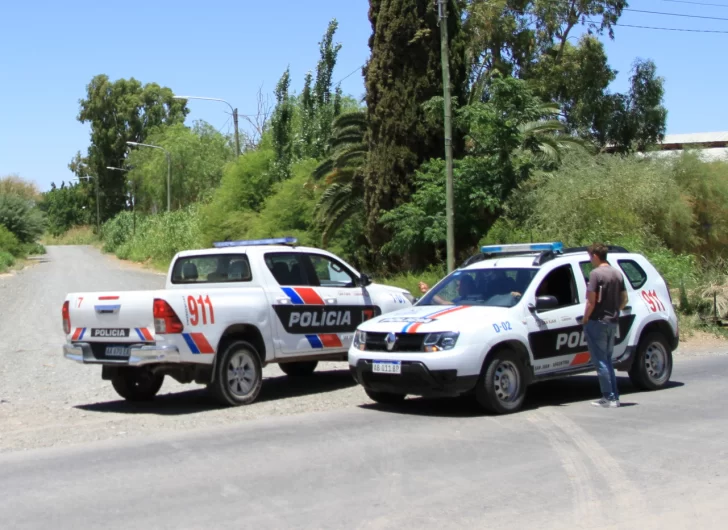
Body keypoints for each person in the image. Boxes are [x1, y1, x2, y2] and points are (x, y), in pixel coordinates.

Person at [582, 243, 628, 408]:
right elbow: (624, 299)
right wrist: (615, 310)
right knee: (608, 359)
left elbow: (591, 301)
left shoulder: (595, 274)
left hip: (598, 321)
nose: (590, 260)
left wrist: (585, 319)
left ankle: (608, 397)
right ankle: (614, 396)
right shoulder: (617, 273)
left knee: (601, 361)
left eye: (590, 256)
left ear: (595, 255)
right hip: (612, 321)